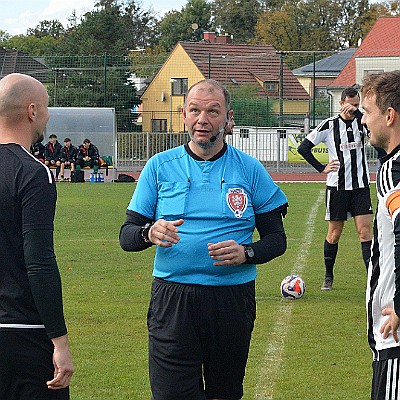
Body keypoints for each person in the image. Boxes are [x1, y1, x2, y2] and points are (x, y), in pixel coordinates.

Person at [119, 79, 288, 400]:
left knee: (224, 392)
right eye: (195, 110)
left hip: (231, 300)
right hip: (173, 300)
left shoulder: (249, 169)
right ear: (183, 115)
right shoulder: (159, 167)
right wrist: (149, 233)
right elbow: (127, 235)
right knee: (171, 394)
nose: (203, 119)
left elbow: (277, 239)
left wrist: (246, 252)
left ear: (228, 118)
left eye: (213, 111)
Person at [0, 73, 74, 398]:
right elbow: (40, 262)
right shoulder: (31, 172)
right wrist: (59, 341)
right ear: (32, 111)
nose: (47, 115)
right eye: (45, 108)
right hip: (23, 334)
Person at [298, 87, 373, 291]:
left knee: (365, 233)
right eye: (350, 104)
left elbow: (375, 136)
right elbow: (303, 147)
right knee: (334, 234)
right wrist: (321, 168)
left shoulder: (362, 122)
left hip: (360, 187)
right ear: (341, 103)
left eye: (357, 105)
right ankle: (328, 276)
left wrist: (358, 114)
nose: (353, 108)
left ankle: (371, 280)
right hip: (337, 187)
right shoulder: (329, 125)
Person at [361, 70, 400, 400]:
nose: (364, 122)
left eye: (368, 113)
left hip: (395, 336)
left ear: (389, 116)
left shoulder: (394, 170)